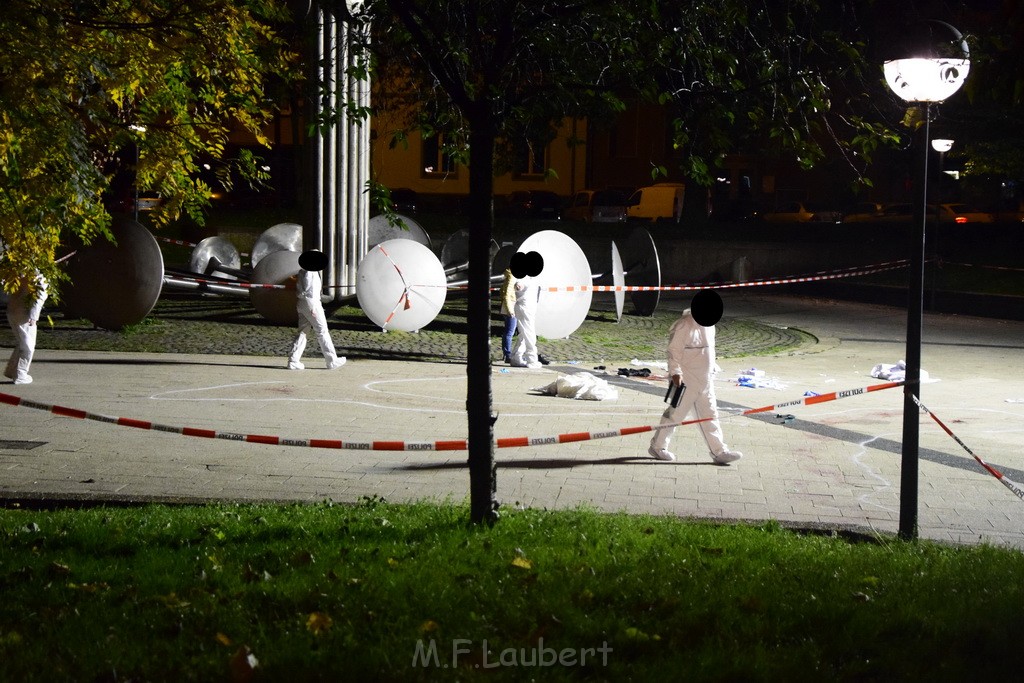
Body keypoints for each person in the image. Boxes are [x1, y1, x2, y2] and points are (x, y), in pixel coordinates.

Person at [648, 290, 742, 465]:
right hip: (686, 381)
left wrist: (712, 369)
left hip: (705, 380)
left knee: (710, 414)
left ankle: (719, 451)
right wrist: (675, 372)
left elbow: (708, 350)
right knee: (676, 414)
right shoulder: (684, 325)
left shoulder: (709, 325)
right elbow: (673, 351)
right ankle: (658, 446)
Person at [288, 250, 346, 371]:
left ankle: (293, 360)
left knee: (303, 331)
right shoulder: (310, 272)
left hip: (302, 303)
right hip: (311, 302)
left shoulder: (302, 271)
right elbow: (309, 288)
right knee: (322, 331)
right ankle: (331, 360)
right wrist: (313, 307)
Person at [4, 271, 48, 385]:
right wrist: (34, 316)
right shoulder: (40, 276)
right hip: (24, 314)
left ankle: (12, 370)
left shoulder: (19, 271)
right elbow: (40, 296)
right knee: (28, 345)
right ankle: (20, 375)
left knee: (22, 342)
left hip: (12, 311)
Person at [508, 252, 543, 369]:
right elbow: (519, 284)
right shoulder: (524, 276)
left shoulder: (531, 277)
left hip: (527, 308)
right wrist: (519, 286)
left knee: (523, 334)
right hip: (524, 308)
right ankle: (532, 360)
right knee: (529, 334)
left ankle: (516, 357)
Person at [499, 267, 517, 364]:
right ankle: (507, 354)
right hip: (510, 306)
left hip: (509, 306)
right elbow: (506, 294)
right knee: (509, 332)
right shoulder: (512, 277)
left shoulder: (511, 276)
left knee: (509, 331)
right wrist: (510, 310)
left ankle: (506, 354)